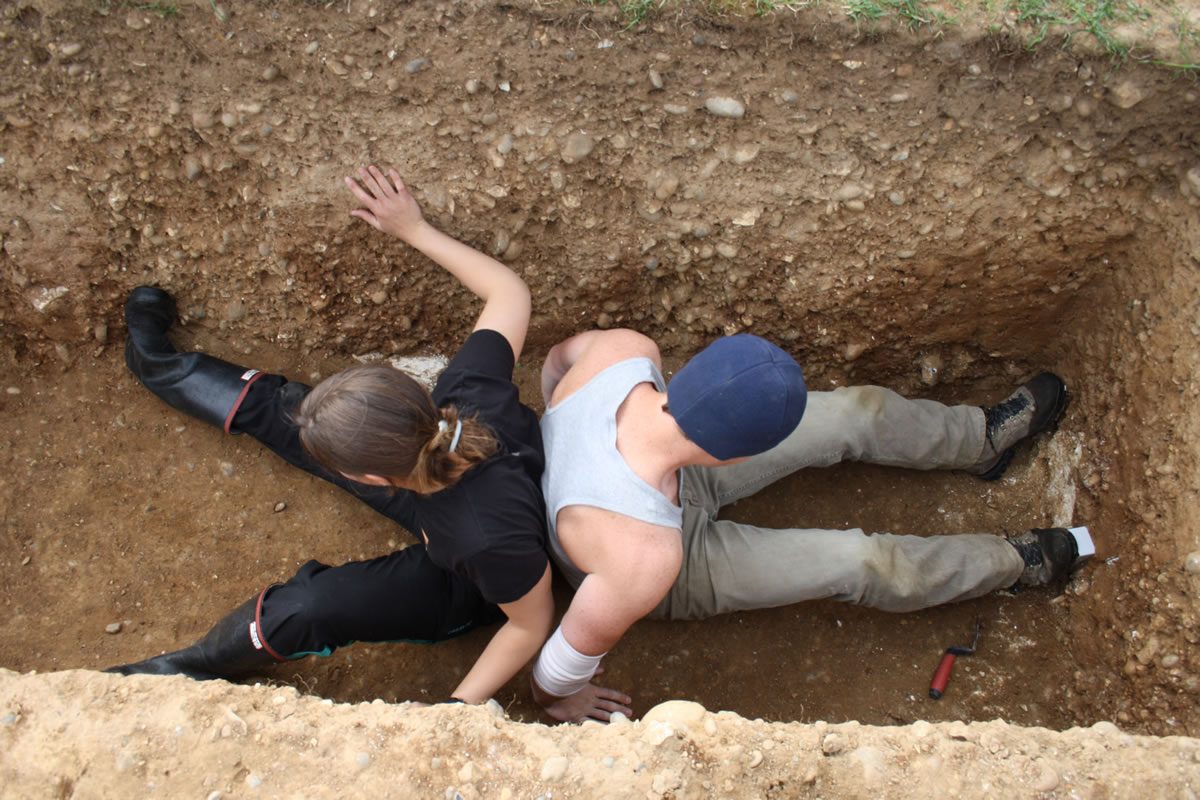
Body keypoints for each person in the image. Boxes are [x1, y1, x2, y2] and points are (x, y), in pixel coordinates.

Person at [109, 166, 553, 707]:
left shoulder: (484, 542)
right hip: (442, 490)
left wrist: (455, 711)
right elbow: (508, 291)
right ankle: (155, 361)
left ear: (371, 479)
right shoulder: (464, 397)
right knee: (295, 413)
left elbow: (530, 624)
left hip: (470, 579)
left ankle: (190, 668)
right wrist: (413, 229)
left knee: (311, 606)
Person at [528, 328, 1086, 721]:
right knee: (860, 562)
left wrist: (563, 426)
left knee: (851, 414)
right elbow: (557, 668)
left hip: (658, 470)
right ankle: (1012, 564)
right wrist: (557, 700)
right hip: (651, 548)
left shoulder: (624, 354)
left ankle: (978, 439)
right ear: (730, 456)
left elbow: (554, 366)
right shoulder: (643, 561)